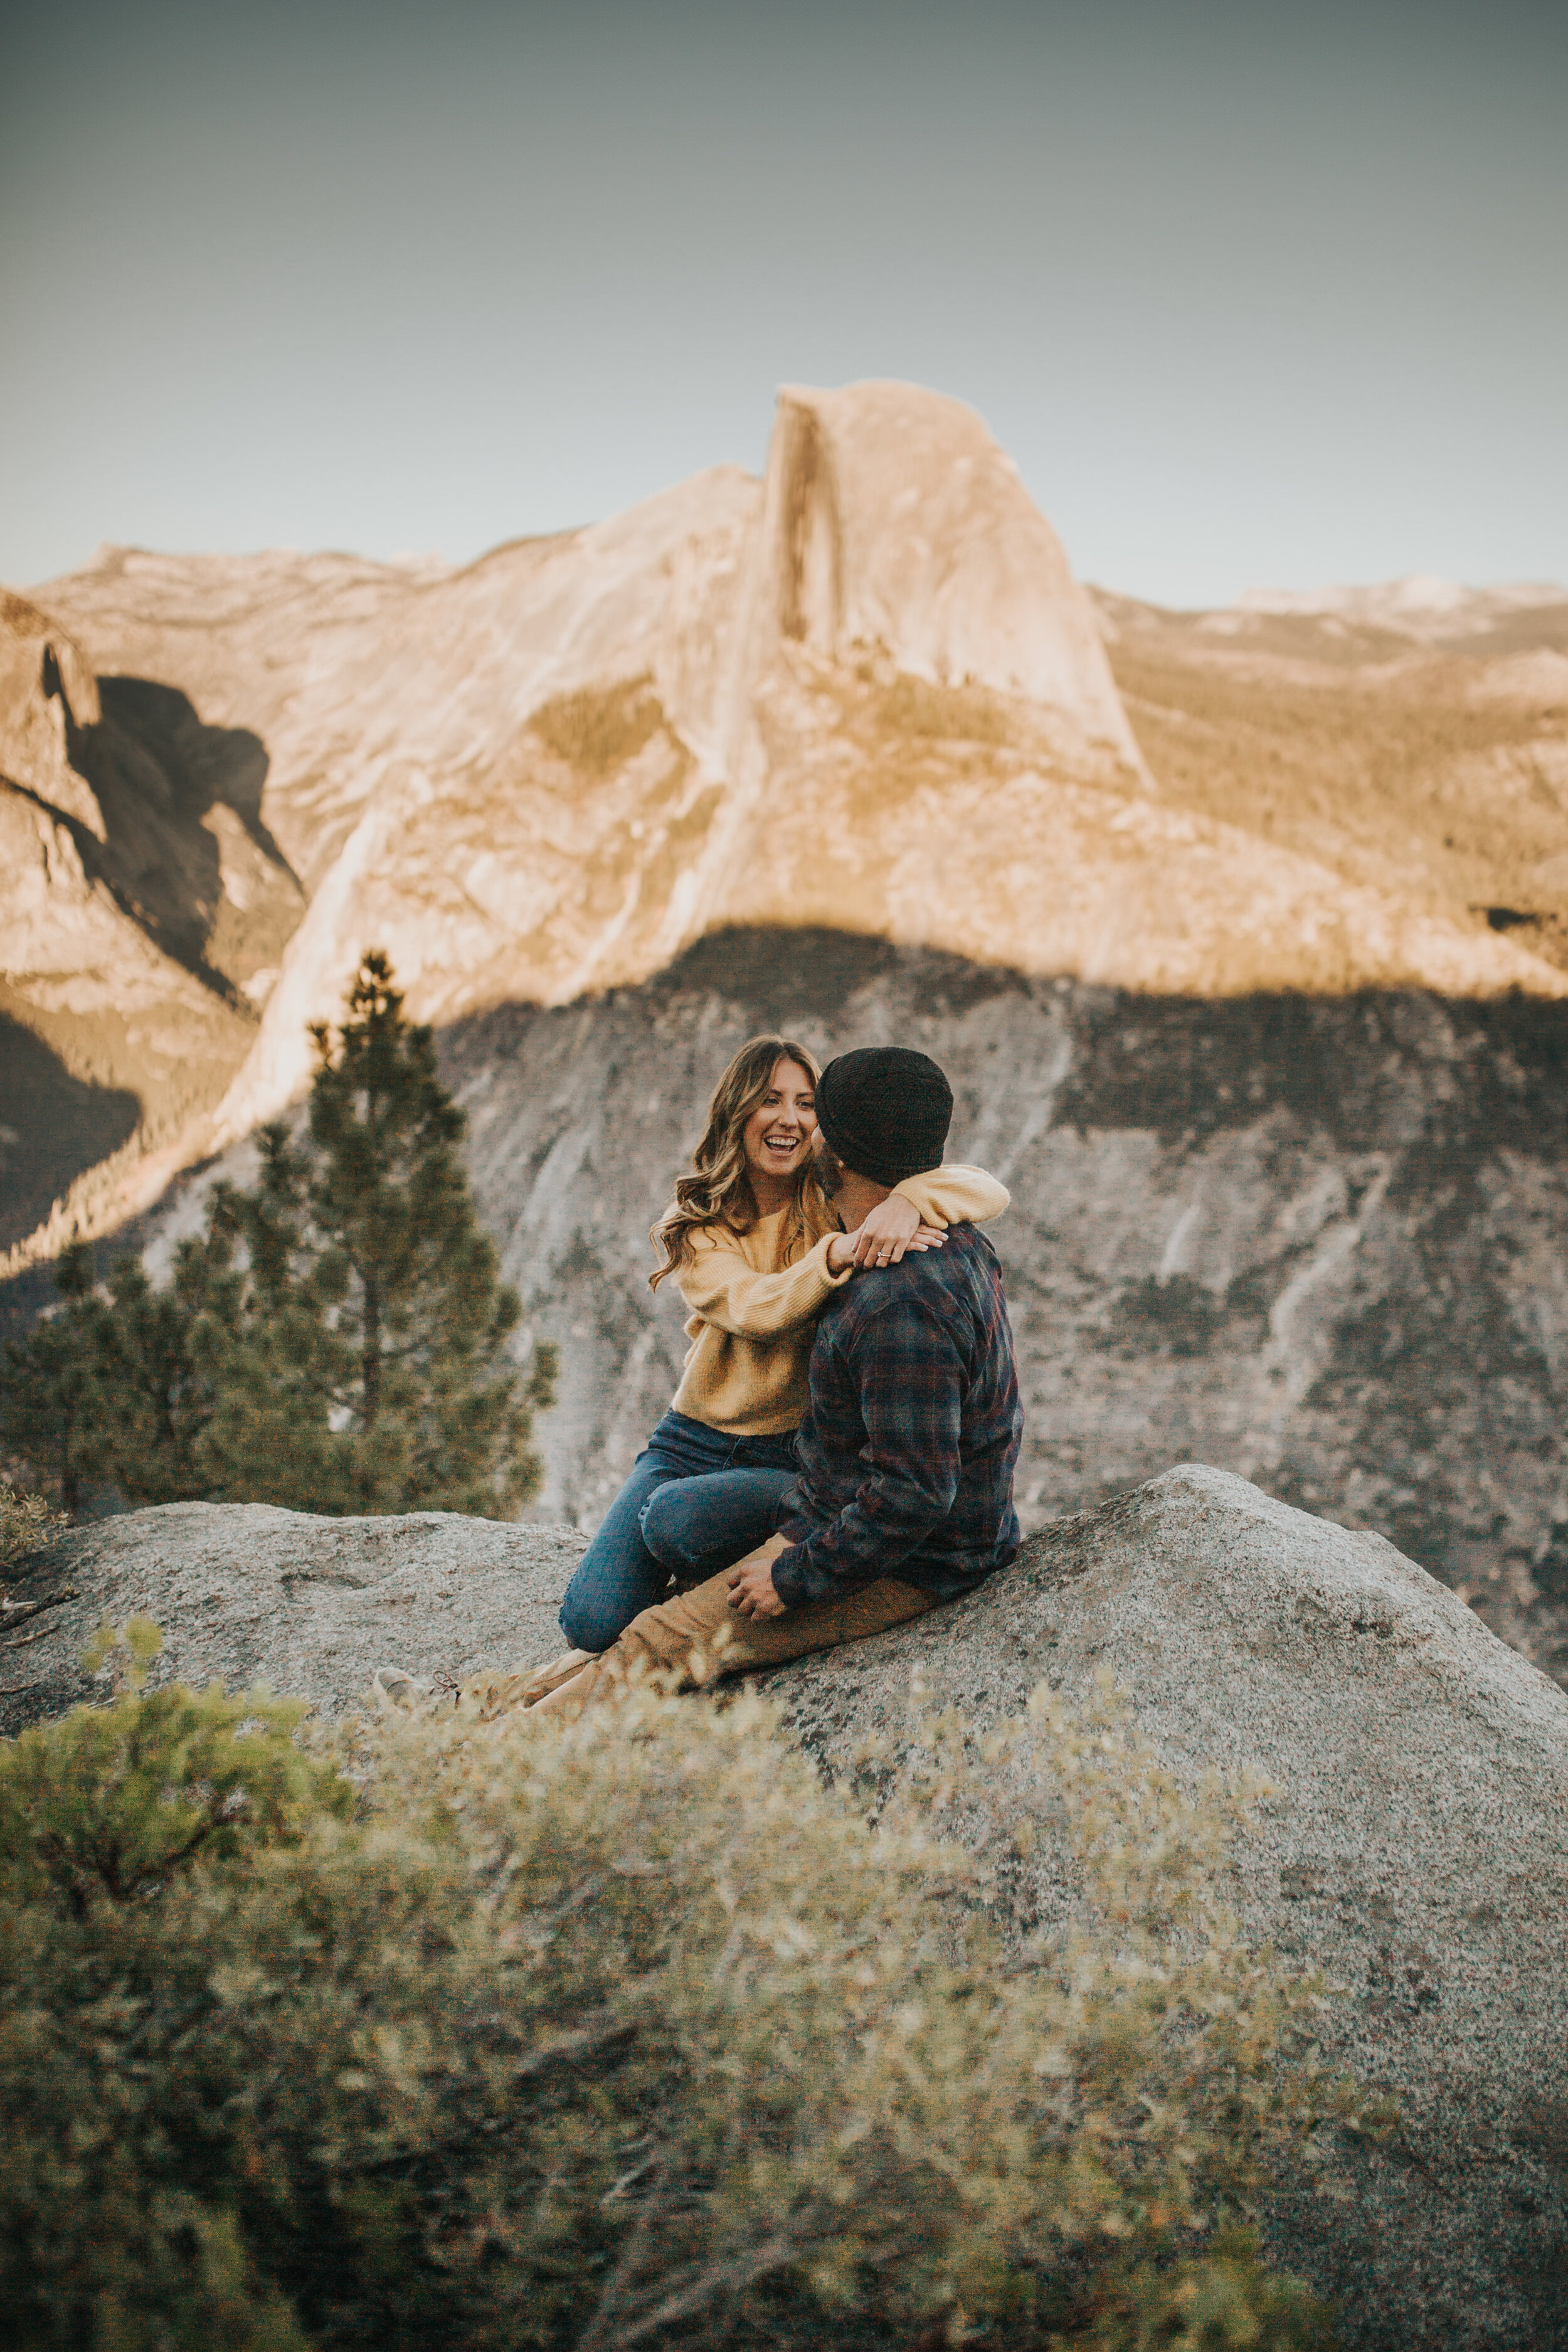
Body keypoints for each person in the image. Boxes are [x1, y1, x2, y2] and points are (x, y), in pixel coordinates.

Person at [530, 1044, 1022, 1717]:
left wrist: (909, 1199)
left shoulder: (887, 1273)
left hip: (843, 1498)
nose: (792, 1121)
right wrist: (850, 1243)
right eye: (769, 1099)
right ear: (735, 1113)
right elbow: (755, 1309)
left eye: (809, 1105)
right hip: (703, 1442)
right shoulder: (732, 1229)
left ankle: (485, 1758)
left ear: (836, 1147)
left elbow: (914, 1493)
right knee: (598, 1617)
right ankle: (500, 1708)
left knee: (660, 1625)